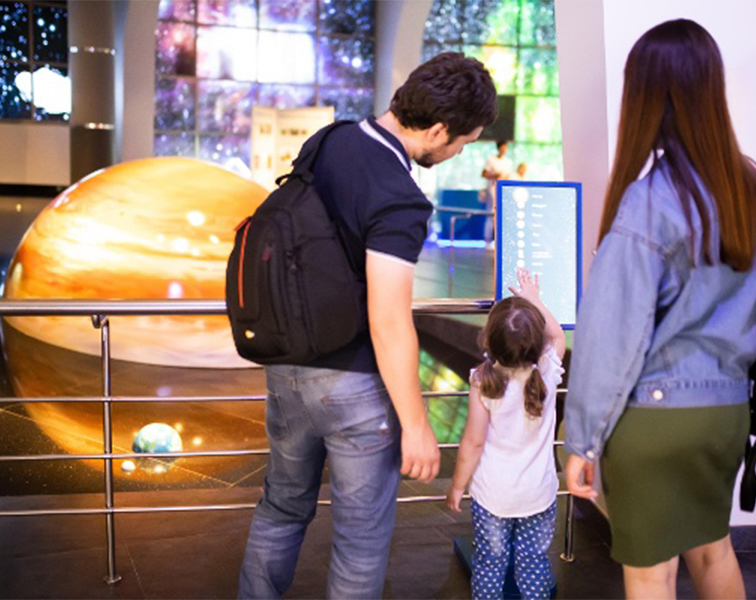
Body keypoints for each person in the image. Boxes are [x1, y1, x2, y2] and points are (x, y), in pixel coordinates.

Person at [239, 52, 498, 600]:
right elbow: (388, 318)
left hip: (286, 368)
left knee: (281, 509)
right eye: (461, 143)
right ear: (436, 130)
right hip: (351, 385)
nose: (457, 154)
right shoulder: (399, 198)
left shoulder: (330, 140)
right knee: (359, 543)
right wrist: (418, 424)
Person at [563, 19, 756, 600]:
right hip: (726, 415)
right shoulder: (754, 190)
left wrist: (580, 441)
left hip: (655, 420)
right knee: (713, 553)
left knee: (652, 573)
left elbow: (610, 340)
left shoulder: (650, 200)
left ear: (646, 97)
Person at [447, 268, 566, 600]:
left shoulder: (482, 382)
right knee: (533, 564)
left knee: (490, 564)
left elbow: (473, 442)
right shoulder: (546, 373)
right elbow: (557, 337)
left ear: (488, 340)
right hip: (538, 496)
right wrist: (535, 300)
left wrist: (457, 485)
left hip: (493, 499)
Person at [481, 140, 513, 245]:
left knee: (501, 215)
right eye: (502, 147)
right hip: (492, 190)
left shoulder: (508, 162)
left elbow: (508, 176)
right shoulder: (491, 160)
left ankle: (499, 241)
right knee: (491, 214)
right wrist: (494, 176)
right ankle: (487, 240)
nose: (504, 150)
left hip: (502, 190)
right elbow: (484, 174)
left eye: (505, 147)